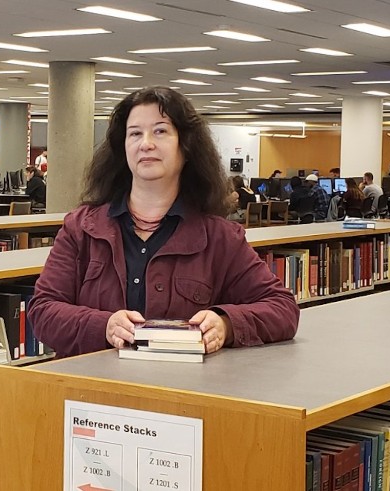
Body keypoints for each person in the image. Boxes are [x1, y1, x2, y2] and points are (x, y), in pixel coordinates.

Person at [27, 86, 299, 358]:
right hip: (89, 390)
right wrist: (104, 326)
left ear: (186, 146)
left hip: (181, 393)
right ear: (123, 148)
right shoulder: (81, 228)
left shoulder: (220, 238)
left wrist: (226, 324)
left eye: (160, 131)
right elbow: (43, 310)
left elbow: (283, 309)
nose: (146, 143)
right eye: (134, 133)